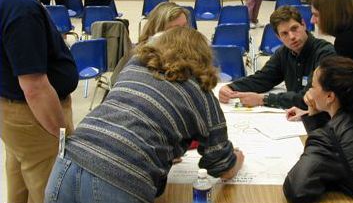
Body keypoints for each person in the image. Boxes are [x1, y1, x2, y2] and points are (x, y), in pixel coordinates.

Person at [44, 27, 245, 203]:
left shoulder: (134, 66)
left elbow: (137, 114)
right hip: (120, 178)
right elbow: (221, 166)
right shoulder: (201, 95)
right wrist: (237, 161)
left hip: (67, 163)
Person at [0, 0, 78, 203]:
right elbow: (34, 87)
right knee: (51, 192)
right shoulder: (21, 6)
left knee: (19, 184)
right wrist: (64, 135)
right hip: (33, 117)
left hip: (12, 114)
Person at [283, 56, 353, 203]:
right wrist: (313, 112)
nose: (309, 92)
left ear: (330, 96)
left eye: (313, 87)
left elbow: (297, 190)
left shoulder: (329, 138)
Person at [218, 6, 335, 109]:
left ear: (303, 25)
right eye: (284, 33)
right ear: (278, 37)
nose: (292, 36)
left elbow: (310, 97)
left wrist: (263, 99)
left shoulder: (324, 53)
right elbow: (263, 79)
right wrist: (231, 87)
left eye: (294, 28)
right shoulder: (283, 53)